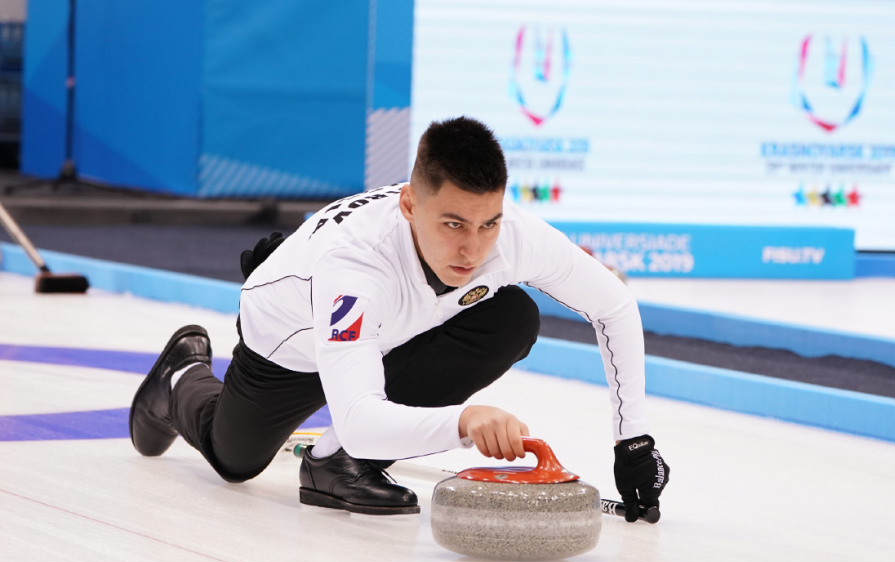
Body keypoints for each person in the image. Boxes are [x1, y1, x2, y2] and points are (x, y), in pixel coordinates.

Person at [129, 116, 668, 520]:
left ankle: (334, 464)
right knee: (236, 463)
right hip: (291, 340)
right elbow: (362, 419)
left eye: (489, 224)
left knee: (511, 318)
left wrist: (634, 439)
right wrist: (464, 421)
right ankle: (178, 378)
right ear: (410, 205)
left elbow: (613, 305)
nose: (474, 248)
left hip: (394, 329)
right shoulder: (356, 269)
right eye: (453, 224)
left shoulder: (512, 236)